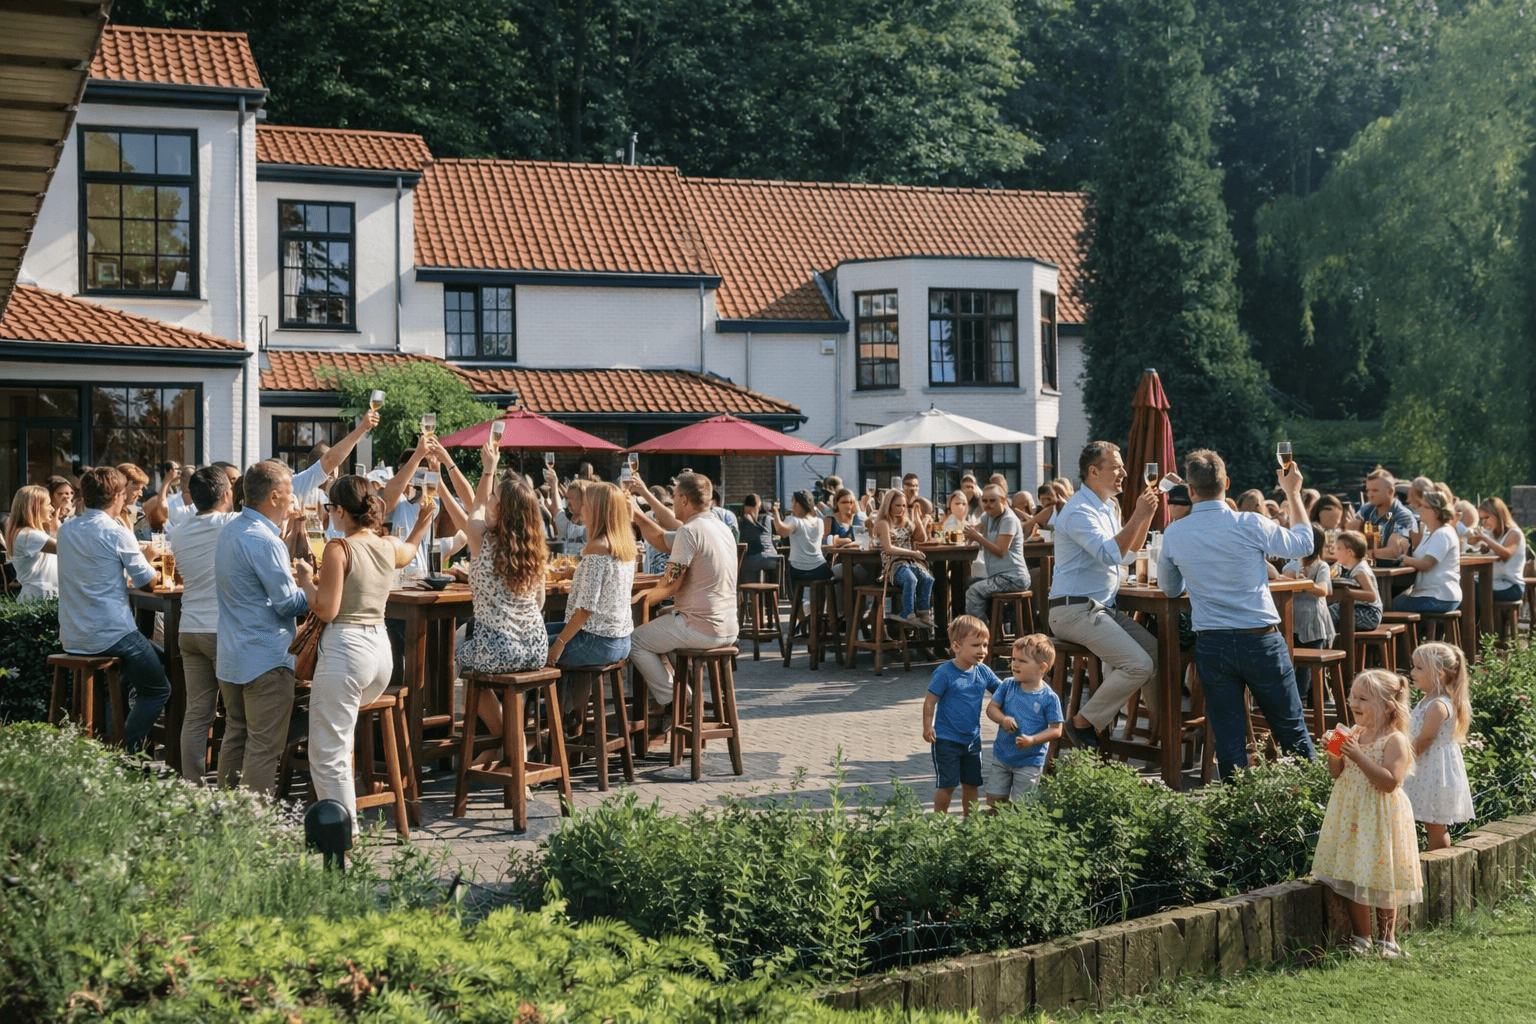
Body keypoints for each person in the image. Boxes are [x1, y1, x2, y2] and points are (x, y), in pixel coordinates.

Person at [1157, 449, 1316, 780]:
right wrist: (1293, 492)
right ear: (1226, 483)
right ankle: (1314, 805)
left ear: (1190, 489)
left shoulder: (1174, 532)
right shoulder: (1249, 523)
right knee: (1291, 733)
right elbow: (1303, 545)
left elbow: (1170, 589)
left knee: (1229, 743)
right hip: (1259, 639)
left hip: (1212, 643)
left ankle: (1238, 808)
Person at [307, 474, 422, 832]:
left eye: (330, 507)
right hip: (381, 657)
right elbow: (410, 552)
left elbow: (327, 610)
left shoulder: (338, 548)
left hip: (347, 651)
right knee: (340, 743)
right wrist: (423, 522)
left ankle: (344, 836)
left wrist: (305, 580)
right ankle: (346, 827)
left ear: (341, 511)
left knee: (329, 753)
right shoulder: (387, 545)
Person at [1048, 441, 1160, 750]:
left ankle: (1160, 726)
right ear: (1093, 472)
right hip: (1073, 611)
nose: (1124, 472)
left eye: (1123, 467)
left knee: (1154, 652)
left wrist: (1146, 516)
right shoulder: (1079, 510)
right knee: (1139, 664)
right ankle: (1082, 723)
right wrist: (1137, 515)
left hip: (1099, 609)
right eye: (1116, 467)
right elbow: (1110, 553)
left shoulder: (1107, 507)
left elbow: (1127, 554)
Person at [214, 460, 314, 795]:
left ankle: (225, 813)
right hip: (265, 657)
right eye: (290, 492)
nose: (293, 500)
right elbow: (287, 604)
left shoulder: (230, 530)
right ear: (273, 496)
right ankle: (252, 820)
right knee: (263, 747)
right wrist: (314, 588)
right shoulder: (265, 540)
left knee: (236, 736)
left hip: (232, 653)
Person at [55, 466, 168, 754]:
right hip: (111, 634)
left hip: (73, 636)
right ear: (118, 496)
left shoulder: (67, 529)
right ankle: (124, 754)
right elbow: (147, 583)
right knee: (159, 688)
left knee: (159, 660)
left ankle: (116, 737)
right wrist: (148, 558)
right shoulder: (116, 531)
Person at [1311, 669, 1421, 958]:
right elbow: (1336, 773)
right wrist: (1334, 750)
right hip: (1352, 816)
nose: (1354, 703)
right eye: (1353, 697)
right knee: (1353, 873)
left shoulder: (1394, 740)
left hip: (1380, 817)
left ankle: (1387, 940)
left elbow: (1389, 782)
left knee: (1382, 877)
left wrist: (1357, 754)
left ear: (1387, 705)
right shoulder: (1353, 732)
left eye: (1363, 698)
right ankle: (1362, 937)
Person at [629, 472, 739, 725]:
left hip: (702, 628)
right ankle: (684, 691)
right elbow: (659, 539)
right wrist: (637, 514)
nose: (673, 502)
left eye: (675, 496)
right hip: (729, 626)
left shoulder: (689, 531)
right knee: (663, 616)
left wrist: (641, 599)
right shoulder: (720, 527)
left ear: (685, 500)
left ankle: (677, 699)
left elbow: (670, 583)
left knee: (635, 641)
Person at [449, 468, 548, 739]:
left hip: (501, 648)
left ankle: (509, 741)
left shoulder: (484, 540)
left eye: (495, 495)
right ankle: (507, 744)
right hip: (537, 647)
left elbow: (476, 506)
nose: (489, 498)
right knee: (472, 655)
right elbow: (540, 603)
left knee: (460, 661)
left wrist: (488, 469)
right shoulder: (534, 549)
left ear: (502, 508)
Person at [165, 467, 240, 783]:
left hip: (190, 628)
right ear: (227, 494)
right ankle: (229, 789)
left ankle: (192, 787)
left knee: (196, 714)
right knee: (236, 716)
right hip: (221, 631)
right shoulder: (232, 523)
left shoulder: (179, 531)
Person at [543, 480, 636, 672]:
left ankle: (550, 693)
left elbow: (585, 609)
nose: (582, 509)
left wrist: (560, 643)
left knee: (525, 647)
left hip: (596, 641)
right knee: (537, 633)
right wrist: (576, 572)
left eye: (586, 504)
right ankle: (566, 693)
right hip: (620, 640)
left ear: (596, 511)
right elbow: (607, 581)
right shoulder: (623, 544)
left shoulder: (597, 548)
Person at [921, 615, 1001, 818]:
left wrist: (1025, 686)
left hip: (972, 741)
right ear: (956, 647)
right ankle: (938, 823)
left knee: (972, 784)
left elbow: (1002, 691)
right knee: (947, 785)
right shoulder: (945, 672)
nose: (982, 650)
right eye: (975, 645)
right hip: (946, 740)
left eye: (985, 645)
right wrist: (927, 727)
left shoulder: (983, 672)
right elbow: (930, 701)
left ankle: (970, 822)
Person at [1402, 642, 1474, 852]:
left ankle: (1439, 861)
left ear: (1439, 673)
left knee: (1434, 824)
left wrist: (1403, 760)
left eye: (1419, 667)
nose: (1412, 672)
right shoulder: (1427, 700)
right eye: (1413, 666)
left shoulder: (1438, 705)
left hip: (1434, 771)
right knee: (1417, 818)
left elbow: (1426, 738)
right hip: (1424, 767)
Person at [983, 633, 1063, 809]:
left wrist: (1033, 740)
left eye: (1022, 661)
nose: (1015, 664)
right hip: (1002, 756)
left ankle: (1018, 825)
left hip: (1030, 761)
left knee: (1023, 805)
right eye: (1013, 659)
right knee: (994, 800)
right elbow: (991, 708)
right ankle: (996, 825)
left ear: (1042, 668)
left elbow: (1056, 730)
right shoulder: (1007, 685)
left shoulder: (1049, 697)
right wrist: (1003, 719)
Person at [1282, 525, 1334, 705]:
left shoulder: (1321, 566)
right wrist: (1290, 578)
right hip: (1293, 623)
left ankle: (1308, 701)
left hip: (1314, 623)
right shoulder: (1292, 565)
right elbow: (1282, 582)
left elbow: (1324, 590)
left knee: (1308, 668)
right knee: (1293, 662)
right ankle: (1300, 701)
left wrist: (1305, 584)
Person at [964, 484, 1031, 620]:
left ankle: (980, 629)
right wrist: (970, 533)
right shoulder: (988, 516)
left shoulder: (1008, 519)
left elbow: (1000, 551)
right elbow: (978, 528)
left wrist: (977, 537)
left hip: (1013, 578)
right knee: (970, 582)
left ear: (1003, 500)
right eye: (984, 501)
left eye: (992, 501)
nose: (988, 505)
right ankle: (995, 626)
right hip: (999, 577)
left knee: (973, 592)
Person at [872, 488, 934, 631]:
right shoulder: (883, 524)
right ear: (889, 506)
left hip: (910, 563)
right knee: (910, 579)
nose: (902, 509)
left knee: (928, 579)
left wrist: (915, 515)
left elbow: (922, 538)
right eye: (898, 505)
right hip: (893, 566)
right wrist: (913, 553)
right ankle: (907, 613)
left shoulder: (906, 523)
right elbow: (888, 548)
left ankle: (924, 613)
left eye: (904, 505)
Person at [1395, 488, 1461, 615]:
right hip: (1432, 594)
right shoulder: (1431, 533)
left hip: (1439, 596)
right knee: (1397, 601)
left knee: (1391, 605)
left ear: (1435, 511)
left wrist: (1406, 560)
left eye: (1424, 506)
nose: (1420, 509)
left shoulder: (1442, 534)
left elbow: (1427, 564)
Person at [1348, 468, 1414, 566]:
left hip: (1393, 572)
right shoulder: (1368, 508)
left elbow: (1393, 553)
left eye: (1375, 490)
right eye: (1368, 490)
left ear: (1390, 491)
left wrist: (1361, 553)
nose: (1370, 495)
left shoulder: (1403, 515)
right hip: (1368, 568)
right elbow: (1348, 538)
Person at [1469, 497, 1526, 607]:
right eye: (1481, 519)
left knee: (1474, 588)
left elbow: (1506, 555)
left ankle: (1480, 618)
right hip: (1493, 582)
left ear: (1499, 515)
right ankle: (1474, 618)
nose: (1484, 522)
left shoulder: (1514, 533)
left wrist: (1484, 539)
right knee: (1466, 584)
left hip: (1511, 586)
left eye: (1487, 517)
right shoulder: (1491, 534)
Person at [4, 485, 58, 601]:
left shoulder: (28, 533)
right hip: (40, 598)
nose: (52, 509)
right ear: (35, 508)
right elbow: (68, 548)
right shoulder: (29, 535)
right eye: (48, 504)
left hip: (41, 596)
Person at [771, 490, 831, 587]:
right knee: (829, 577)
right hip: (821, 569)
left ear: (797, 504)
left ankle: (795, 597)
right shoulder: (819, 522)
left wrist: (775, 511)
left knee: (790, 573)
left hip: (800, 570)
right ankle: (821, 597)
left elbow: (781, 531)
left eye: (792, 503)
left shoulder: (794, 520)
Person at [1329, 530, 1383, 631]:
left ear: (1349, 552)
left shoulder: (1360, 572)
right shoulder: (1350, 568)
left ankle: (1337, 640)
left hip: (1370, 614)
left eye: (1339, 549)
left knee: (1330, 613)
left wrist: (1347, 592)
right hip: (1359, 609)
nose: (1335, 552)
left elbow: (1372, 595)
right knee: (1329, 610)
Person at [737, 494, 779, 583]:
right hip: (772, 558)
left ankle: (752, 590)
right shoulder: (767, 518)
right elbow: (778, 532)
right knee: (772, 571)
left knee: (747, 567)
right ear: (758, 506)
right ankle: (773, 590)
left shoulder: (741, 520)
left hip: (752, 559)